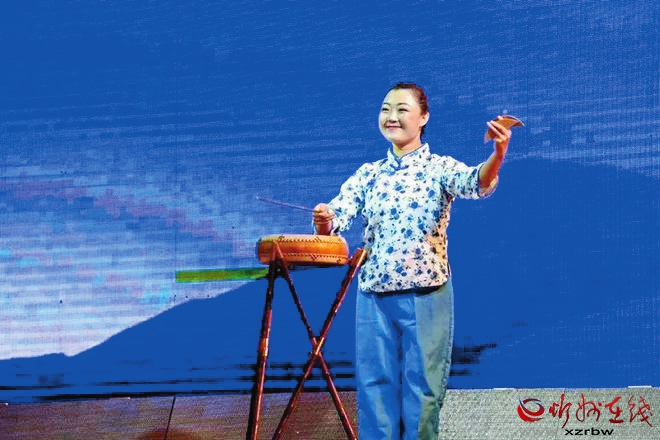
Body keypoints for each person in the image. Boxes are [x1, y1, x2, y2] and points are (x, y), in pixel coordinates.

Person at [312, 82, 512, 439]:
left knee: (422, 391)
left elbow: (475, 182)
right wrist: (325, 219)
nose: (391, 116)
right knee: (374, 389)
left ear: (423, 117)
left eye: (402, 109)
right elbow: (336, 217)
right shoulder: (369, 174)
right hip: (374, 294)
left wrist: (497, 154)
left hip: (426, 293)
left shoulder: (439, 168)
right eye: (385, 109)